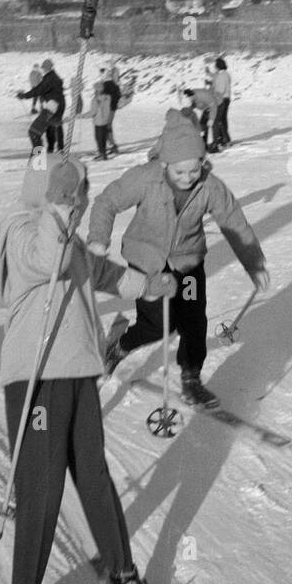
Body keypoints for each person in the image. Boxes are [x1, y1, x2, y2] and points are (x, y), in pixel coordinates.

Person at [0, 155, 158, 584]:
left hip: (79, 370)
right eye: (70, 195)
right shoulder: (23, 234)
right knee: (41, 489)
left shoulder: (67, 238)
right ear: (46, 196)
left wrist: (148, 285)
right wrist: (59, 207)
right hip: (37, 376)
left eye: (82, 195)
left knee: (93, 475)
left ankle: (123, 576)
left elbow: (97, 270)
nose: (80, 203)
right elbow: (51, 260)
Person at [89, 109, 269, 408]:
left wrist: (254, 263)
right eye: (179, 172)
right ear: (165, 164)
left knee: (193, 320)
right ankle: (119, 346)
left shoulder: (210, 186)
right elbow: (107, 202)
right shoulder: (144, 178)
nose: (187, 178)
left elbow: (234, 222)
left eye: (194, 170)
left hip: (187, 263)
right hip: (148, 263)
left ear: (202, 162)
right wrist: (98, 240)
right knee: (157, 324)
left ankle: (191, 378)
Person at [19, 60, 65, 152]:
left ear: (46, 68)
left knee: (34, 132)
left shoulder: (50, 78)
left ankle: (39, 160)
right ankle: (56, 150)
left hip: (52, 106)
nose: (42, 69)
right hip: (58, 105)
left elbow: (39, 90)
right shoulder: (54, 77)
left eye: (43, 67)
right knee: (53, 127)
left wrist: (24, 95)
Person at [209, 57, 232, 151]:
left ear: (218, 66)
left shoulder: (223, 75)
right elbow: (215, 78)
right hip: (224, 99)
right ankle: (225, 139)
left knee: (216, 121)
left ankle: (218, 142)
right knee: (222, 120)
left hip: (221, 99)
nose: (214, 67)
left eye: (215, 66)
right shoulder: (223, 74)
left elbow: (221, 89)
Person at [90, 80, 113, 160]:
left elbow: (92, 113)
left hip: (98, 122)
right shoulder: (108, 98)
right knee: (103, 139)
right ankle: (103, 154)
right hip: (105, 122)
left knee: (99, 139)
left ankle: (101, 154)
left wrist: (79, 116)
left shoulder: (95, 100)